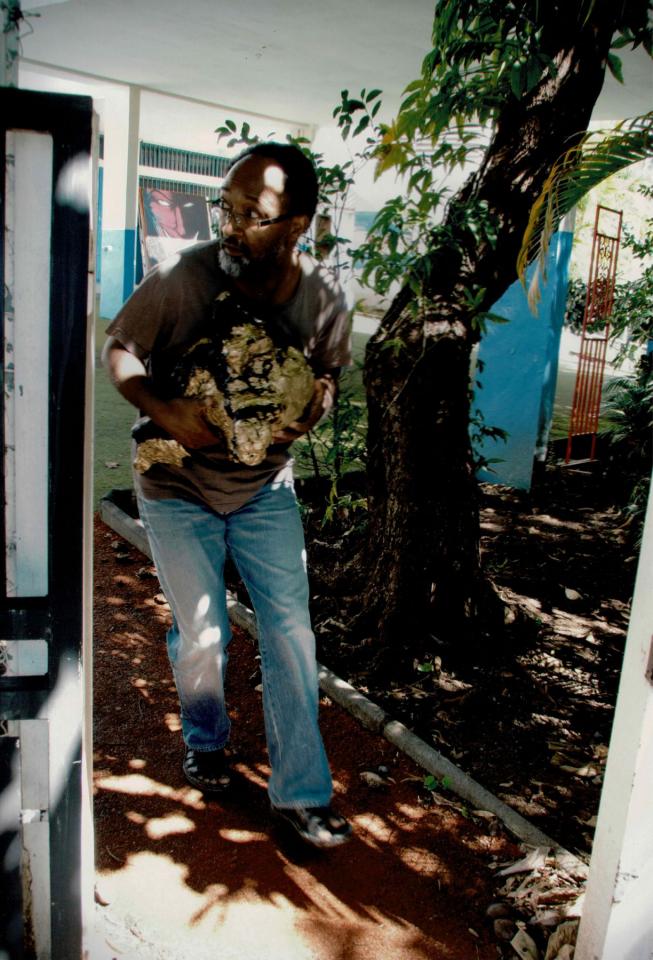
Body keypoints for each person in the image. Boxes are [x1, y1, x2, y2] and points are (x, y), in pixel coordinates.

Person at [103, 142, 353, 849]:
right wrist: (164, 407)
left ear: (297, 224)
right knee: (203, 635)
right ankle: (207, 738)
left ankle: (301, 796)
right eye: (227, 208)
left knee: (292, 633)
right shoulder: (183, 278)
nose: (232, 226)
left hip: (263, 488)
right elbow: (119, 347)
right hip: (175, 484)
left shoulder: (322, 300)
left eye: (253, 214)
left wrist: (313, 405)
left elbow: (329, 376)